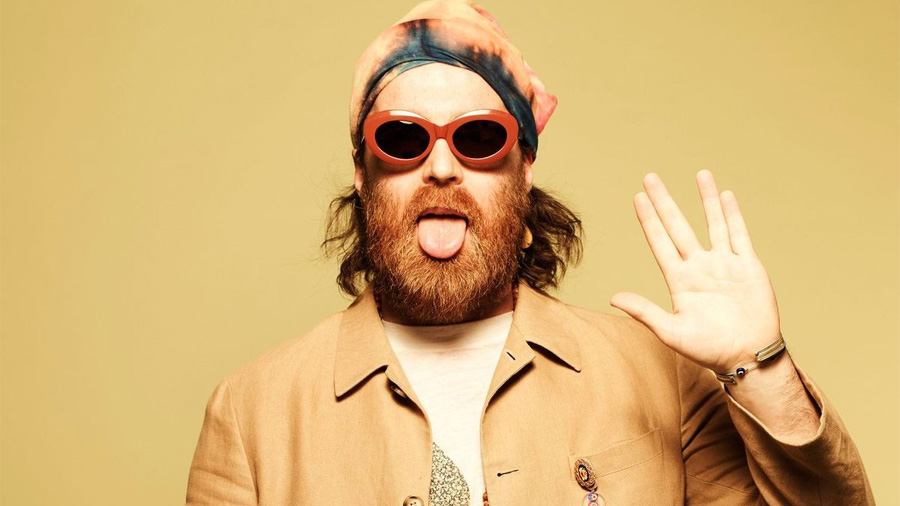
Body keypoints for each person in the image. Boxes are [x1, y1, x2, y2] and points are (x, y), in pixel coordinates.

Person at [184, 0, 873, 504]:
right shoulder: (250, 415)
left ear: (524, 171)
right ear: (363, 175)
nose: (442, 168)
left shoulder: (665, 381)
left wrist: (763, 369)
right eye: (404, 139)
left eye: (480, 138)